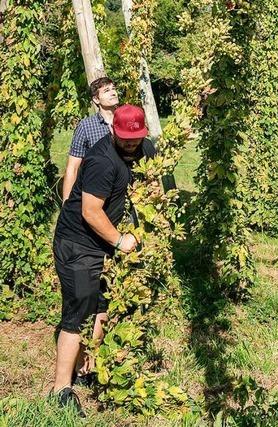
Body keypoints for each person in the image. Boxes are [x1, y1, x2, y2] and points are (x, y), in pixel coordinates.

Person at [51, 105, 156, 416]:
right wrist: (120, 240)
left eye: (136, 138)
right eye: (125, 138)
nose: (131, 144)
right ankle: (60, 389)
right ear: (113, 131)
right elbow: (90, 212)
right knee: (79, 312)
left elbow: (149, 183)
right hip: (79, 245)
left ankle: (87, 369)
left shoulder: (144, 147)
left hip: (102, 244)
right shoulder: (101, 160)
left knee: (102, 307)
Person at [61, 77, 119, 202]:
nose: (113, 92)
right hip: (96, 193)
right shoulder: (86, 126)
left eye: (114, 89)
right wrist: (66, 204)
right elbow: (73, 168)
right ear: (96, 99)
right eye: (107, 90)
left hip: (124, 190)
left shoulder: (126, 119)